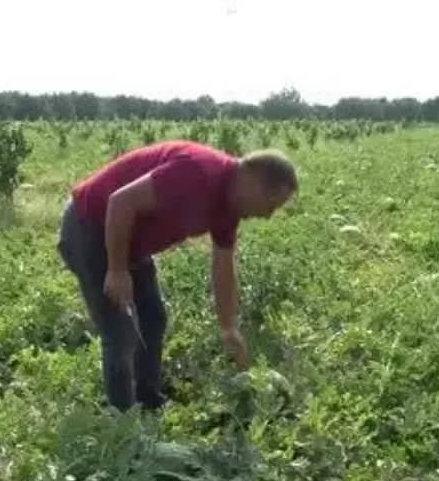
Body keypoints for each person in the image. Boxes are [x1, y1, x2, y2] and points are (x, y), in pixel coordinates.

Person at [57, 140, 298, 413]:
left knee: (153, 317)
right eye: (271, 205)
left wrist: (228, 327)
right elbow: (120, 202)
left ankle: (148, 402)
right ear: (256, 182)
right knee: (120, 330)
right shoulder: (198, 172)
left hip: (129, 239)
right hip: (90, 226)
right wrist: (117, 269)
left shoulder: (228, 206)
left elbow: (223, 264)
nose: (268, 216)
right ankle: (123, 427)